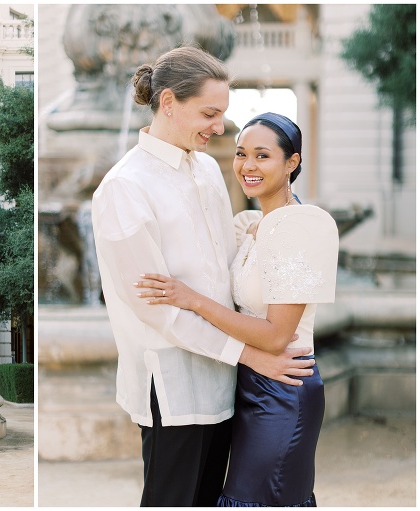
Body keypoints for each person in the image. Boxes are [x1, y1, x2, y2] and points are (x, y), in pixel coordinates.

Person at [91, 46, 317, 507]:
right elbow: (158, 313)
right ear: (169, 102)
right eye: (209, 113)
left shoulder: (211, 171)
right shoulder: (124, 188)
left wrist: (268, 231)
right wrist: (252, 356)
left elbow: (229, 271)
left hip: (228, 382)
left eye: (222, 114)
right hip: (175, 387)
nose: (219, 127)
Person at [135, 112, 338, 506]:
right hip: (248, 383)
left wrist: (191, 299)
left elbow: (278, 335)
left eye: (263, 156)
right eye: (242, 153)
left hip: (284, 387)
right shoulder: (253, 226)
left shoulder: (300, 228)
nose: (247, 165)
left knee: (257, 499)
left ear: (291, 163)